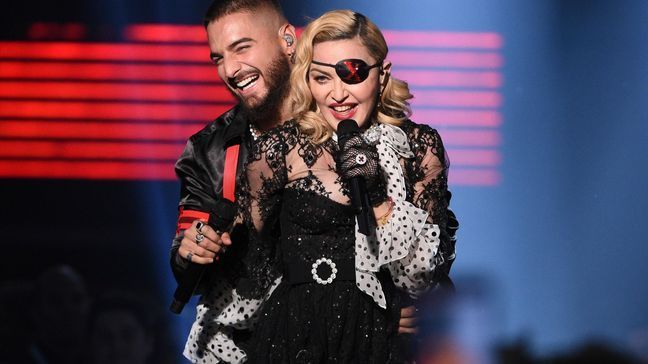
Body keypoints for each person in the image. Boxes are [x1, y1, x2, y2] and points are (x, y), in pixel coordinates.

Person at [170, 1, 455, 362]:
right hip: (292, 338)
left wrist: (391, 305)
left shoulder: (408, 144)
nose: (230, 69)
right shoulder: (214, 150)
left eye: (242, 47)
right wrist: (194, 247)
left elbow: (430, 266)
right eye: (218, 58)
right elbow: (237, 265)